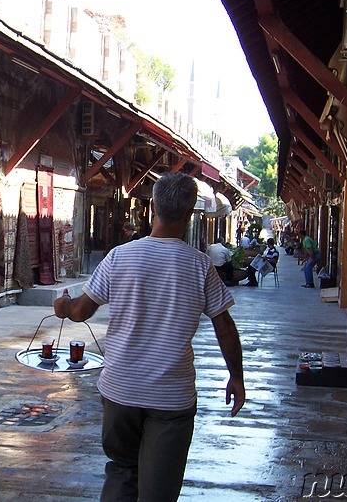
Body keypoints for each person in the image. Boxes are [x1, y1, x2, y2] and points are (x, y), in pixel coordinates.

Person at [53, 172, 245, 501]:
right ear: (189, 214)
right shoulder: (200, 266)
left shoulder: (119, 257)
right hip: (171, 397)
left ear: (152, 206)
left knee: (122, 469)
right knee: (159, 489)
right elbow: (224, 326)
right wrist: (236, 377)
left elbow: (82, 310)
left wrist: (63, 306)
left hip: (120, 390)